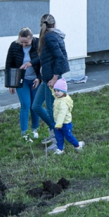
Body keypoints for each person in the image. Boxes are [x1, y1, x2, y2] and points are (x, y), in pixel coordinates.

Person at [32, 14, 70, 149]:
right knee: (36, 106)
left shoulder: (50, 37)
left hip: (52, 79)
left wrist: (54, 78)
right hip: (46, 78)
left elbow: (60, 58)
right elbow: (46, 59)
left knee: (51, 111)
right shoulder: (49, 36)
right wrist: (31, 65)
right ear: (54, 24)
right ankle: (54, 131)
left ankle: (57, 141)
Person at [5, 28, 41, 142]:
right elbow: (8, 64)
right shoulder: (14, 46)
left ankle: (35, 129)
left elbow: (43, 62)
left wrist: (39, 78)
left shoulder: (39, 44)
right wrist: (11, 83)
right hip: (22, 80)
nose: (24, 44)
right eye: (22, 42)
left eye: (26, 42)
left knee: (35, 105)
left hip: (35, 79)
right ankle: (24, 133)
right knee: (25, 104)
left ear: (32, 39)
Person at [46, 79, 84, 155]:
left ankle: (77, 145)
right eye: (55, 90)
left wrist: (59, 124)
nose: (56, 93)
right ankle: (60, 149)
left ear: (64, 91)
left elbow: (62, 114)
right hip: (57, 123)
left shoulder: (64, 102)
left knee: (68, 136)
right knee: (58, 137)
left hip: (65, 124)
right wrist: (52, 89)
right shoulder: (59, 97)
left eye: (58, 91)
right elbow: (54, 94)